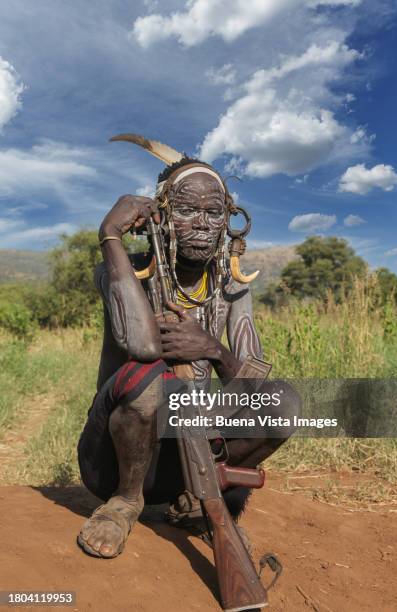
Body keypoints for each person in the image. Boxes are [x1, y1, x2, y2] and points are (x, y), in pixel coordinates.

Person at [77, 137, 299, 558]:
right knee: (150, 379)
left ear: (230, 221)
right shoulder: (119, 271)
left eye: (213, 212)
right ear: (160, 216)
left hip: (186, 456)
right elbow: (142, 346)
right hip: (112, 460)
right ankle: (125, 503)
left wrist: (213, 348)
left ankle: (200, 502)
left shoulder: (231, 286)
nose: (201, 223)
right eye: (186, 210)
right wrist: (110, 235)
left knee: (283, 402)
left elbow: (253, 386)